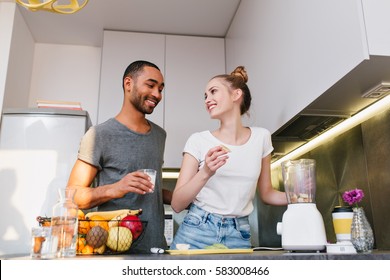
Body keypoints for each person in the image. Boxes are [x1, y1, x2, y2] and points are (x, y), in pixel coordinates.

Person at [170, 66, 288, 250]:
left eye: (213, 92)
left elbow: (267, 194)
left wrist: (300, 196)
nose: (207, 99)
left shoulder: (261, 137)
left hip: (239, 233)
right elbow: (177, 204)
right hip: (197, 229)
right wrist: (206, 172)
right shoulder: (198, 140)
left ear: (236, 95)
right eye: (205, 96)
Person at [67, 60, 172, 253]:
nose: (157, 94)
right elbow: (71, 195)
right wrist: (116, 188)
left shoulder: (160, 135)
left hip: (156, 249)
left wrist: (183, 196)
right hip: (113, 253)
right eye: (150, 85)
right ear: (128, 83)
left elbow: (150, 190)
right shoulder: (99, 135)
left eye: (160, 89)